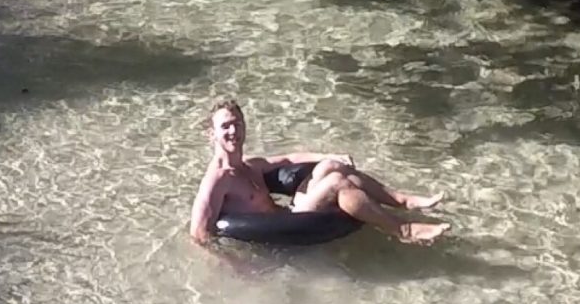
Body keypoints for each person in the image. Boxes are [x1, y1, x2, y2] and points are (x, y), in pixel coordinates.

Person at [189, 100, 449, 246]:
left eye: (238, 124)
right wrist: (236, 269)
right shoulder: (218, 179)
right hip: (287, 231)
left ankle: (403, 200)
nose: (233, 131)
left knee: (332, 168)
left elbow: (289, 158)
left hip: (289, 214)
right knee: (337, 182)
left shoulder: (249, 164)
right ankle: (403, 231)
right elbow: (199, 233)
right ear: (212, 134)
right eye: (225, 127)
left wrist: (327, 156)